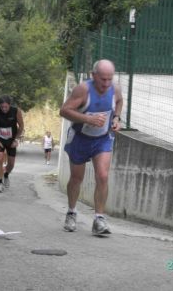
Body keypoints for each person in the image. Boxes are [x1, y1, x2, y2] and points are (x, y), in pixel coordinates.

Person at [59, 59, 123, 235]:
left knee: (102, 176)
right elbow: (64, 111)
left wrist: (116, 119)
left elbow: (119, 102)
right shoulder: (83, 89)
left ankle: (99, 219)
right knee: (76, 178)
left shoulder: (114, 88)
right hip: (80, 138)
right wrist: (88, 119)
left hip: (102, 139)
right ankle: (71, 212)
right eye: (103, 79)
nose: (106, 83)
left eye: (110, 79)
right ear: (93, 75)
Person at [0, 95, 24, 193]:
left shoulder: (16, 111)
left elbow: (21, 126)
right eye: (2, 107)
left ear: (9, 105)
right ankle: (0, 183)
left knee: (11, 164)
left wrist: (16, 139)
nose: (3, 109)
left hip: (11, 140)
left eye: (6, 107)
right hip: (0, 139)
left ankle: (6, 174)